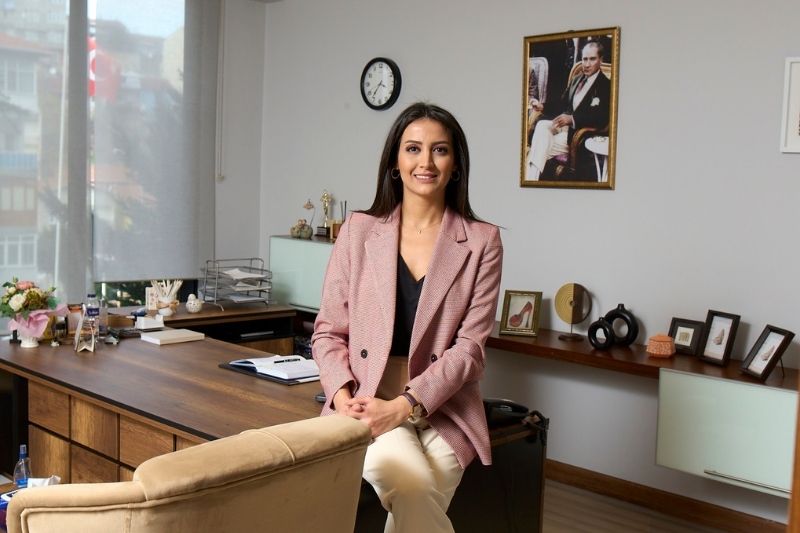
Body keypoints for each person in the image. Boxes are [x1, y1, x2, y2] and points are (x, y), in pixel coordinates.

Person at [312, 102, 503, 533]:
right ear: (395, 163)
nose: (425, 162)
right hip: (367, 397)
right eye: (413, 148)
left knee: (414, 496)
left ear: (456, 165)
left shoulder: (482, 241)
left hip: (444, 406)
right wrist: (342, 399)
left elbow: (470, 350)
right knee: (415, 486)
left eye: (440, 150)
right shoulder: (358, 231)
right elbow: (328, 332)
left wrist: (404, 407)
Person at [525, 41, 611, 181]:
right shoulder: (576, 79)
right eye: (584, 59)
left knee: (537, 149)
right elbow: (562, 103)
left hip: (578, 136)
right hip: (563, 128)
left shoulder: (606, 85)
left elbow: (602, 117)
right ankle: (531, 180)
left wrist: (573, 119)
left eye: (592, 59)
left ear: (600, 60)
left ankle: (530, 180)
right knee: (541, 126)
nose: (587, 64)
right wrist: (542, 106)